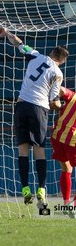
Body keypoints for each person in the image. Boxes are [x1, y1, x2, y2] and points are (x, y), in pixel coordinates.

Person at [0, 27, 69, 209]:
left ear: (51, 53)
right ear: (60, 61)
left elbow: (20, 44)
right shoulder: (57, 73)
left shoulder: (36, 56)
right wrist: (62, 106)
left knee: (22, 149)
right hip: (39, 109)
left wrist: (7, 34)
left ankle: (25, 188)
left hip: (21, 106)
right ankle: (42, 189)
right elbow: (53, 101)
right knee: (39, 149)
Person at [50, 86, 76, 216]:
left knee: (66, 169)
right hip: (72, 140)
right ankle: (73, 206)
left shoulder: (72, 96)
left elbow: (59, 88)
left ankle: (66, 204)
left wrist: (54, 100)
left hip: (57, 137)